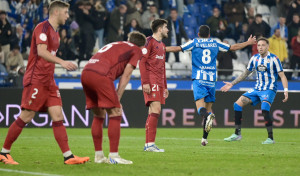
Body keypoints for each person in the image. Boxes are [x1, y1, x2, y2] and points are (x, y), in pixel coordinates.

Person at [0, 0, 89, 165]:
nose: (67, 16)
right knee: (27, 115)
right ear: (56, 12)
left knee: (58, 115)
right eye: (66, 13)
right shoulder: (42, 28)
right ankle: (4, 153)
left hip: (49, 81)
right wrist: (61, 62)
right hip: (36, 80)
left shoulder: (56, 33)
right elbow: (41, 52)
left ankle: (68, 157)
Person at [166, 25, 256, 146]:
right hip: (211, 81)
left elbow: (177, 48)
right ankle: (204, 139)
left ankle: (208, 117)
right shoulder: (216, 43)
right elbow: (233, 47)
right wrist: (248, 42)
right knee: (208, 109)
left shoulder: (194, 42)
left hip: (199, 79)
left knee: (201, 109)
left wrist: (162, 48)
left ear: (198, 34)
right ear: (209, 35)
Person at [81, 31, 146, 164]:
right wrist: (118, 98)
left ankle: (99, 156)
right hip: (100, 75)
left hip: (86, 72)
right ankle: (114, 156)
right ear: (141, 47)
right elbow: (126, 76)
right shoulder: (136, 50)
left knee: (98, 114)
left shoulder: (116, 44)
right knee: (116, 111)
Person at [221, 37, 288, 144]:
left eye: (263, 45)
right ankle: (237, 134)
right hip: (257, 89)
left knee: (264, 109)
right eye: (259, 45)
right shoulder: (254, 58)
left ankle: (270, 138)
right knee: (237, 104)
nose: (260, 47)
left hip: (269, 89)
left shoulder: (274, 59)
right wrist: (232, 84)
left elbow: (283, 76)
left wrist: (285, 90)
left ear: (268, 47)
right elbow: (245, 74)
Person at [139, 19, 169, 152]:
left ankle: (148, 144)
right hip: (151, 81)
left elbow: (163, 67)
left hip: (159, 81)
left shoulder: (162, 45)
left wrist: (165, 86)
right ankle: (150, 144)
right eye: (166, 27)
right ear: (160, 28)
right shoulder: (149, 41)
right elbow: (141, 62)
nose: (168, 30)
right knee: (155, 109)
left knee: (153, 111)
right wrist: (145, 82)